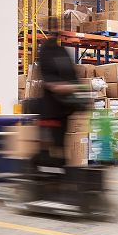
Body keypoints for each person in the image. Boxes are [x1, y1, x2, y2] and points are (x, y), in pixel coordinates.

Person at [36, 17, 81, 169]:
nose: (56, 32)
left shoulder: (62, 51)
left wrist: (76, 89)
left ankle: (61, 171)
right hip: (51, 107)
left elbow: (73, 74)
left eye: (58, 28)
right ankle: (47, 172)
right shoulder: (45, 51)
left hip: (64, 107)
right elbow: (47, 79)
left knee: (61, 143)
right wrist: (61, 86)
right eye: (53, 28)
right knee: (49, 143)